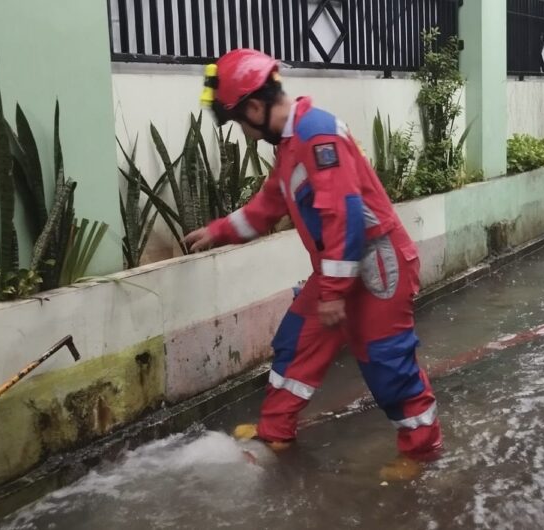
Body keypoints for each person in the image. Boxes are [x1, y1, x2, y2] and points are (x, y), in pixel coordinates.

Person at [185, 49, 442, 479]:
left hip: (377, 269)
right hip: (339, 269)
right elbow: (267, 206)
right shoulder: (291, 144)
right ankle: (275, 431)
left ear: (254, 107)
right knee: (297, 342)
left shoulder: (317, 135)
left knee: (387, 363)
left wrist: (334, 294)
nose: (245, 134)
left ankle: (421, 453)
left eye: (240, 123)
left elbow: (342, 216)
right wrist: (218, 231)